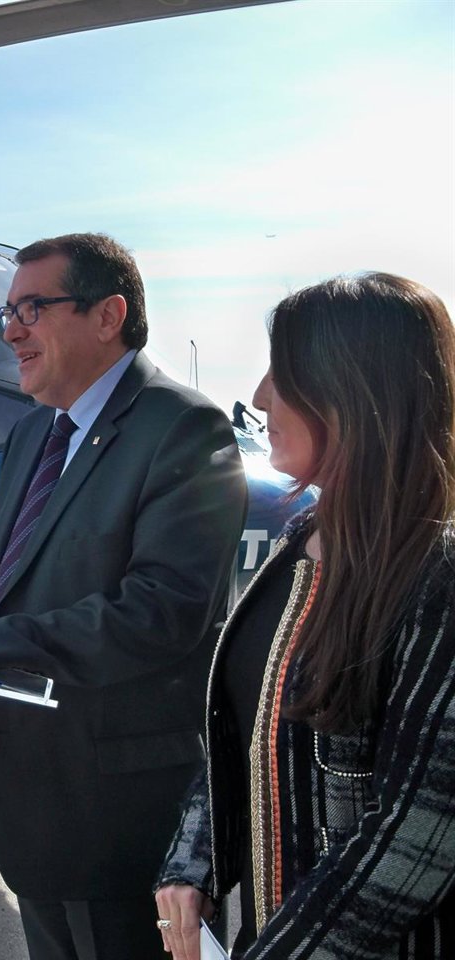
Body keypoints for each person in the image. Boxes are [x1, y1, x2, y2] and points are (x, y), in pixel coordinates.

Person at [0, 233, 248, 959]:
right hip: (30, 806)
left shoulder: (183, 428)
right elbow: (13, 581)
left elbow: (163, 611)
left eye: (32, 308)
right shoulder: (36, 433)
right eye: (7, 311)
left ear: (108, 315)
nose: (8, 331)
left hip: (113, 815)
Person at [155, 273, 455, 959]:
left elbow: (419, 837)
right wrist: (192, 862)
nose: (259, 397)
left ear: (357, 391)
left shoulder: (439, 573)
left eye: (283, 374)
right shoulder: (302, 540)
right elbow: (243, 734)